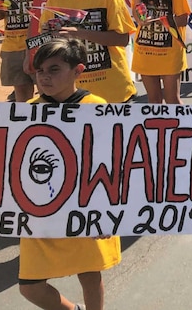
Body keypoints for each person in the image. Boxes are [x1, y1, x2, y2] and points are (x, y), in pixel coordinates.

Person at [18, 38, 122, 310]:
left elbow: (111, 164)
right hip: (40, 212)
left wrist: (106, 212)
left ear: (78, 71)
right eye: (40, 70)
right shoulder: (27, 111)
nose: (44, 77)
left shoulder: (96, 106)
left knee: (89, 273)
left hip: (84, 208)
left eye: (54, 69)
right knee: (30, 287)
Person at [41, 0, 137, 103]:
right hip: (73, 93)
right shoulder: (55, 1)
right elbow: (47, 41)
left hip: (112, 90)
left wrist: (80, 33)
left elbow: (122, 38)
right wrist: (48, 35)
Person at [131, 0, 191, 104]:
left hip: (169, 52)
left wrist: (160, 21)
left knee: (172, 100)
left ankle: (183, 128)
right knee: (154, 100)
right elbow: (139, 18)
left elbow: (183, 19)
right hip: (145, 51)